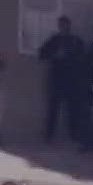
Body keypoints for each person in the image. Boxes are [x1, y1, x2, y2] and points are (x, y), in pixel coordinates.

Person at [38, 16, 85, 144]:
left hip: (71, 79)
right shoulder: (54, 40)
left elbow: (83, 57)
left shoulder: (75, 41)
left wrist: (70, 57)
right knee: (53, 108)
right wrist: (54, 55)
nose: (64, 28)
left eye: (66, 25)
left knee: (72, 108)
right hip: (56, 78)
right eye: (61, 25)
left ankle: (73, 134)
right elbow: (41, 54)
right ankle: (49, 135)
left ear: (69, 26)